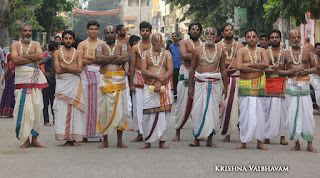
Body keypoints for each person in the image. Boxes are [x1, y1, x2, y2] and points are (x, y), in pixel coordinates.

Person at [278, 29, 318, 153]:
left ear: (300, 38)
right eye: (293, 37)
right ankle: (296, 143)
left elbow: (316, 67)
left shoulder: (308, 52)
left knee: (307, 115)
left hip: (305, 86)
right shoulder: (284, 53)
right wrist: (291, 72)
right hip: (291, 86)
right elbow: (279, 71)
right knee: (292, 114)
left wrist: (305, 71)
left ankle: (309, 144)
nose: (296, 39)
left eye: (298, 37)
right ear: (290, 39)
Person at [188, 27, 227, 147]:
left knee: (213, 111)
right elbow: (192, 69)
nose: (209, 36)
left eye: (212, 34)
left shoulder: (220, 50)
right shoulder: (197, 50)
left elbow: (223, 69)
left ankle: (210, 140)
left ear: (216, 36)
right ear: (204, 36)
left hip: (215, 84)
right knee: (197, 110)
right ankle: (196, 138)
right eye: (207, 34)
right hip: (200, 84)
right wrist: (190, 86)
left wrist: (226, 86)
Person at [11, 23, 48, 148]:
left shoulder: (36, 44)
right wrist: (32, 59)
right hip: (22, 82)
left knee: (37, 108)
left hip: (34, 81)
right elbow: (14, 60)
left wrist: (23, 57)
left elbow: (39, 56)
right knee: (23, 109)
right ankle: (26, 139)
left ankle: (34, 139)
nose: (27, 32)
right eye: (25, 30)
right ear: (20, 32)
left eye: (29, 30)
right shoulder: (15, 45)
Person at [235, 28, 269, 150]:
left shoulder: (262, 51)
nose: (251, 39)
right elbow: (239, 66)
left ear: (257, 38)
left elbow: (266, 64)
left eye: (254, 36)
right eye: (249, 37)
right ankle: (243, 141)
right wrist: (258, 68)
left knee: (260, 114)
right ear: (245, 39)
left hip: (259, 84)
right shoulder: (241, 51)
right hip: (245, 84)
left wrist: (248, 65)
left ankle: (260, 142)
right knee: (245, 114)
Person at [95, 25, 128, 149]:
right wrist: (115, 57)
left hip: (119, 81)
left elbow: (125, 58)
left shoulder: (122, 45)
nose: (110, 34)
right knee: (104, 111)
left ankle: (120, 141)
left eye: (112, 32)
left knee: (121, 111)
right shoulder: (99, 46)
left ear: (116, 33)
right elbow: (98, 59)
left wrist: (106, 59)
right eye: (107, 32)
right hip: (105, 81)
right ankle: (105, 141)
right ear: (104, 34)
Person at [140, 33, 173, 149]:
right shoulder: (145, 54)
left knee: (163, 115)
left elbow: (170, 70)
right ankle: (147, 140)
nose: (158, 44)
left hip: (163, 87)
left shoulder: (167, 54)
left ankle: (162, 141)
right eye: (156, 42)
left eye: (160, 42)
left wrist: (161, 82)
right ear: (151, 42)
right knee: (147, 115)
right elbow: (143, 70)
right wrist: (158, 78)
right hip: (149, 87)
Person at [173, 21, 203, 142]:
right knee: (181, 103)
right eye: (192, 29)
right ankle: (177, 131)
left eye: (197, 29)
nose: (195, 31)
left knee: (199, 106)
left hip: (199, 74)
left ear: (200, 31)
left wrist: (195, 55)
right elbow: (184, 56)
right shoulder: (183, 42)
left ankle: (199, 133)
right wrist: (200, 55)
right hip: (185, 72)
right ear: (189, 31)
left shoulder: (203, 43)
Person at [53, 30, 84, 146]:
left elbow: (79, 69)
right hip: (62, 84)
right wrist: (72, 67)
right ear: (62, 40)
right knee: (61, 110)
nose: (68, 40)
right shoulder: (57, 53)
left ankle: (74, 138)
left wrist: (64, 66)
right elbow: (57, 70)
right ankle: (65, 138)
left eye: (70, 38)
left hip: (74, 84)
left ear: (73, 40)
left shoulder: (78, 53)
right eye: (66, 38)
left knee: (75, 111)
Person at [77, 20, 105, 141]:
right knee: (85, 105)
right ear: (87, 30)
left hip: (100, 75)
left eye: (95, 29)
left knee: (100, 105)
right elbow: (79, 60)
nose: (93, 31)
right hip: (85, 76)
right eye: (91, 29)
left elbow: (103, 60)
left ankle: (99, 134)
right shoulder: (82, 44)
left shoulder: (103, 44)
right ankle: (84, 134)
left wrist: (87, 57)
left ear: (98, 31)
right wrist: (95, 59)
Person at [217, 23, 244, 142]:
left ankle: (241, 132)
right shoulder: (217, 46)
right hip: (222, 79)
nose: (229, 32)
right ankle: (227, 133)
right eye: (226, 30)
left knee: (237, 106)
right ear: (222, 33)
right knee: (224, 104)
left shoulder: (240, 46)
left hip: (237, 78)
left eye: (231, 30)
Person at [263, 29, 288, 145]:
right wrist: (275, 68)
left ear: (280, 39)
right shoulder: (266, 52)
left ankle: (282, 137)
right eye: (272, 38)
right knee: (266, 112)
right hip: (268, 84)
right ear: (269, 40)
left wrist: (273, 67)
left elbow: (287, 68)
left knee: (282, 112)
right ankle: (266, 136)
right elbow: (263, 68)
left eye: (276, 37)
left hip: (282, 83)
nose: (274, 39)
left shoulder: (286, 52)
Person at [130, 21, 152, 142]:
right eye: (142, 30)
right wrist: (131, 83)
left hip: (151, 79)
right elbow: (132, 66)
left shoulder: (155, 46)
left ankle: (150, 132)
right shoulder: (135, 48)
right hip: (138, 78)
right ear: (140, 32)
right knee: (138, 107)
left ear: (150, 32)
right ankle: (139, 133)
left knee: (150, 105)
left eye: (146, 30)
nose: (144, 32)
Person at [39, 41, 59, 126]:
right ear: (55, 48)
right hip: (48, 80)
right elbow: (39, 63)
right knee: (46, 101)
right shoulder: (49, 56)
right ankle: (46, 120)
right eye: (58, 46)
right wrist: (43, 73)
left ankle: (55, 119)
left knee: (53, 100)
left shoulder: (55, 56)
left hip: (54, 79)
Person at [0, 40, 16, 117]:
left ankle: (15, 110)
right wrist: (4, 77)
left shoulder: (18, 55)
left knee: (14, 93)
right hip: (9, 77)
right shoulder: (8, 55)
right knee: (8, 93)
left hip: (16, 76)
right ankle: (8, 111)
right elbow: (6, 67)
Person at [169, 32, 182, 102]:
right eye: (173, 36)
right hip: (174, 66)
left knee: (181, 82)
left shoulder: (181, 45)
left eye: (175, 36)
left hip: (181, 66)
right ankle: (175, 96)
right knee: (175, 82)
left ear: (178, 37)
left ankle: (181, 96)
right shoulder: (171, 47)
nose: (174, 38)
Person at [310, 43, 320, 114]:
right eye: (318, 48)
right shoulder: (312, 56)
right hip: (312, 76)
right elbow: (316, 67)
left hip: (317, 75)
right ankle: (319, 108)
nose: (319, 50)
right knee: (318, 90)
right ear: (315, 49)